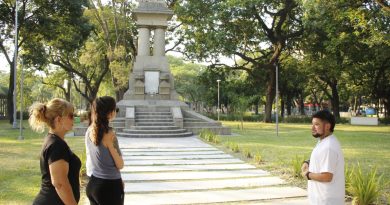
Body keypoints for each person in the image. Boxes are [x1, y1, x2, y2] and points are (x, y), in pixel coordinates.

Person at [29, 98, 80, 205]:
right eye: (71, 116)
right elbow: (59, 183)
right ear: (59, 119)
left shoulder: (55, 141)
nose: (74, 119)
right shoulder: (57, 145)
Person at [86, 96, 124, 205]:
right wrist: (110, 146)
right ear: (110, 113)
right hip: (109, 187)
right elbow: (120, 164)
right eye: (115, 109)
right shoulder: (110, 134)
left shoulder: (89, 130)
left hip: (93, 184)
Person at [301, 110, 345, 205]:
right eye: (312, 124)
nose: (312, 127)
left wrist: (308, 174)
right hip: (321, 199)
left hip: (326, 201)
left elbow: (327, 177)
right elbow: (321, 158)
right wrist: (307, 162)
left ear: (327, 126)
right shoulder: (324, 140)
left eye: (317, 124)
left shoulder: (329, 147)